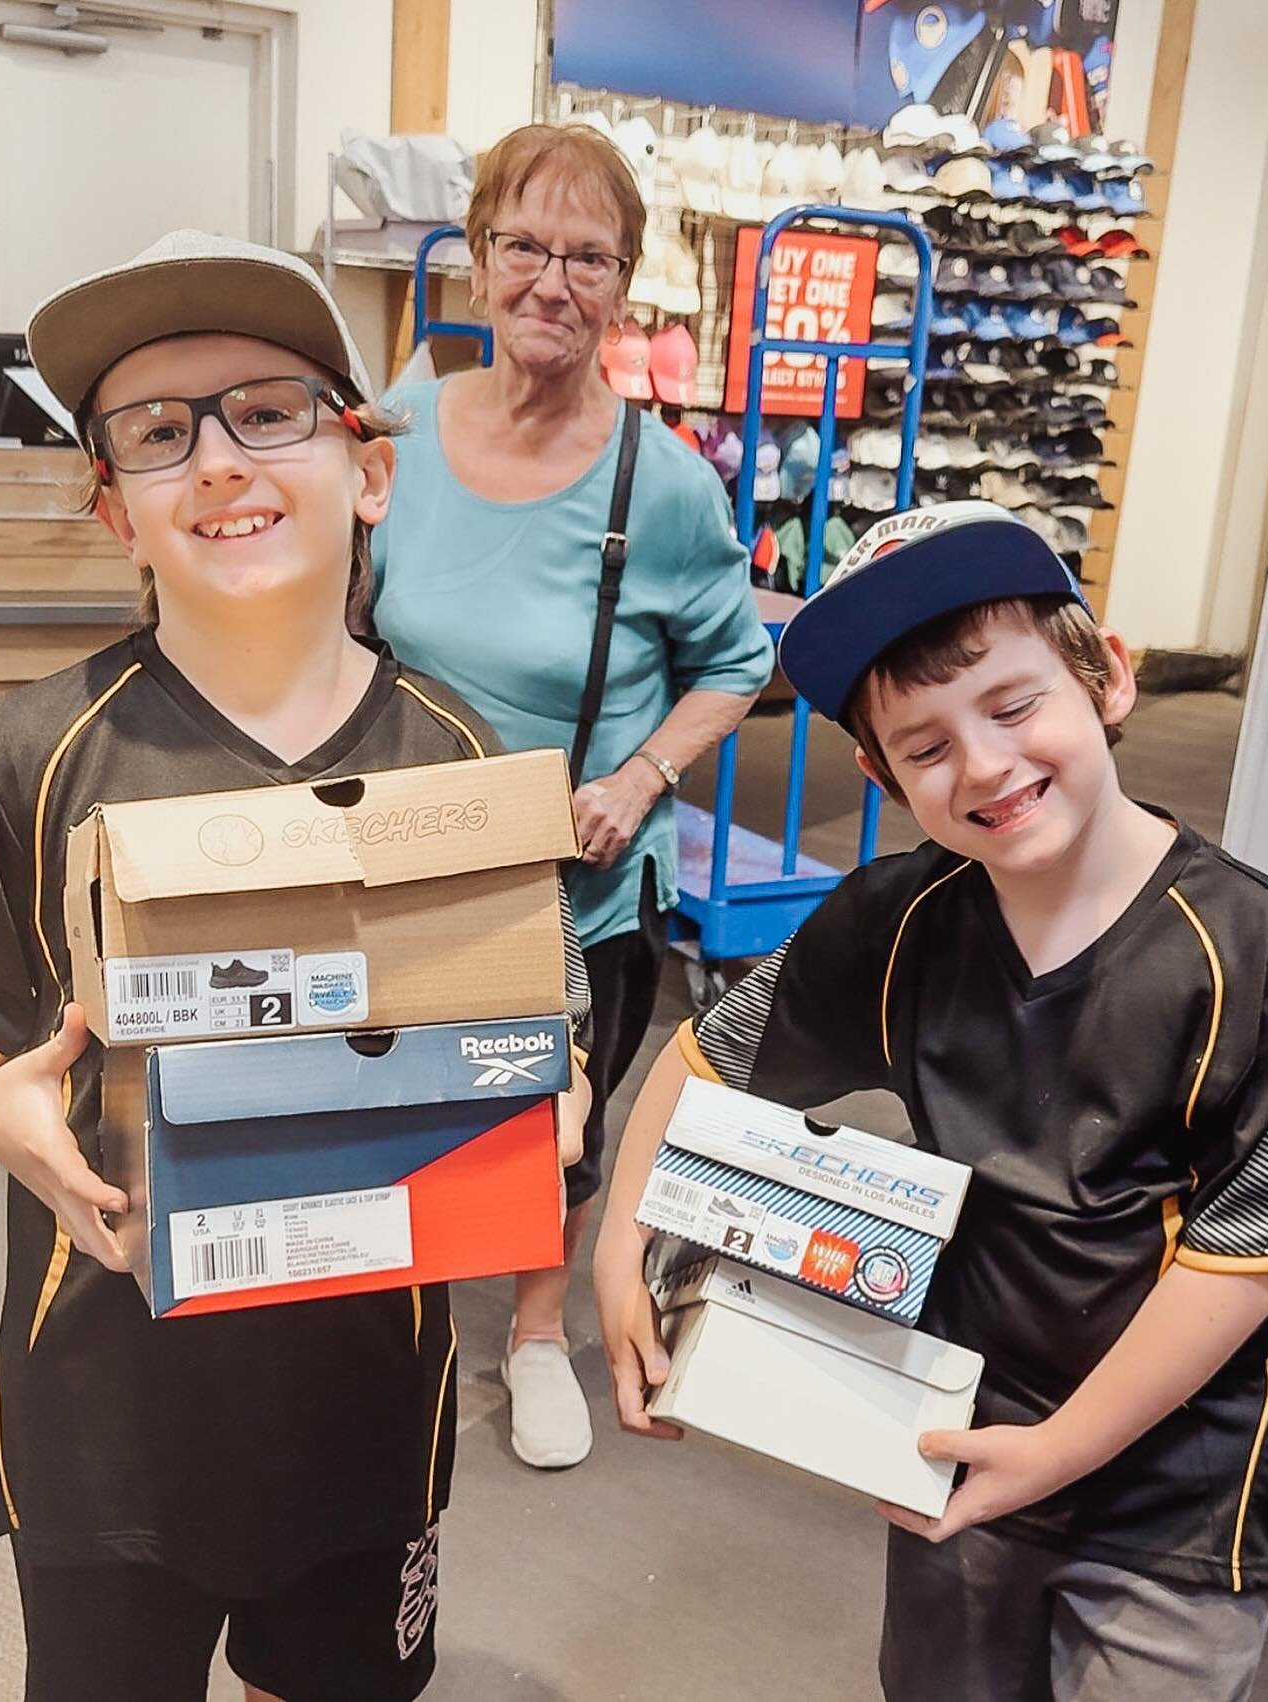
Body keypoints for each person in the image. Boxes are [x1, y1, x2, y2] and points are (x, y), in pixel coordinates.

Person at [0, 230, 589, 1702]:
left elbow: (550, 1008)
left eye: (268, 412)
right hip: (105, 1411)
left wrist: (560, 1093)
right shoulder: (18, 755)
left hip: (368, 1413)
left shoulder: (462, 760)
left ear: (370, 469)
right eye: (159, 433)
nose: (218, 460)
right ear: (117, 511)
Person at [593, 499, 1268, 1702]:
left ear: (1106, 676)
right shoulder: (897, 921)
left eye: (1012, 705)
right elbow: (701, 1062)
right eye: (927, 746)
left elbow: (1245, 1260)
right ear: (881, 774)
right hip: (948, 1443)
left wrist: (1059, 1450)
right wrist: (617, 1248)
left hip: (1169, 1509)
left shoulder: (1252, 951)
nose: (987, 765)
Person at [372, 123, 774, 1471]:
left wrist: (642, 775)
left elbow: (737, 661)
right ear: (478, 257)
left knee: (558, 1115)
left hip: (577, 882)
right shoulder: (404, 428)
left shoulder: (663, 482)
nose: (552, 280)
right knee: (405, 1094)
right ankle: (394, 1310)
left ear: (623, 285)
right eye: (525, 245)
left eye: (587, 257)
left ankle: (538, 1332)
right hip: (411, 860)